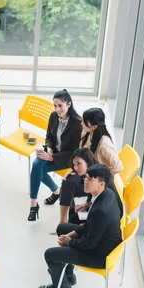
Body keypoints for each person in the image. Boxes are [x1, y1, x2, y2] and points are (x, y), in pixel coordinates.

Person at [37, 164, 123, 288]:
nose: (85, 180)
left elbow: (89, 244)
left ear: (101, 184)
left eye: (90, 179)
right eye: (86, 177)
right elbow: (90, 225)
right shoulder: (107, 193)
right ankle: (69, 274)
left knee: (49, 254)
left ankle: (62, 287)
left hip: (99, 255)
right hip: (100, 241)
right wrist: (70, 235)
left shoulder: (101, 210)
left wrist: (69, 241)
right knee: (62, 227)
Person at [28, 89, 82, 221]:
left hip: (66, 158)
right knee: (36, 165)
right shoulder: (53, 116)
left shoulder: (77, 124)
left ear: (68, 104)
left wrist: (52, 157)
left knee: (37, 170)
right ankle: (34, 204)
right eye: (55, 105)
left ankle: (54, 193)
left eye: (60, 106)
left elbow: (74, 151)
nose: (57, 109)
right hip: (53, 151)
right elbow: (49, 136)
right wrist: (50, 147)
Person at [58, 148, 123, 225]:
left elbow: (102, 202)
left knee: (73, 215)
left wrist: (88, 206)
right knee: (73, 212)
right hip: (105, 208)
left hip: (108, 215)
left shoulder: (97, 176)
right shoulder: (96, 170)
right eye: (74, 165)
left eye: (79, 164)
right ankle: (66, 227)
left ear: (87, 162)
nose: (76, 168)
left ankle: (67, 229)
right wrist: (87, 204)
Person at [79, 107, 124, 174]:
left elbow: (119, 167)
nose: (82, 124)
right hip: (87, 172)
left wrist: (101, 175)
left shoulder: (104, 144)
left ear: (94, 127)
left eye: (85, 122)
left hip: (97, 179)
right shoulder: (86, 134)